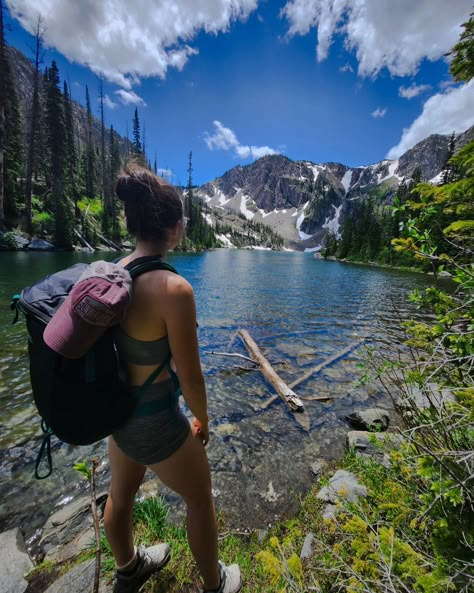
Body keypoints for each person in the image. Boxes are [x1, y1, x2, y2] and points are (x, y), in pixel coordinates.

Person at [104, 162, 242, 593]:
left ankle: (129, 569)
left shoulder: (113, 273)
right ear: (176, 229)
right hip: (158, 421)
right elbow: (191, 377)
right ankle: (214, 584)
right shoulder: (174, 290)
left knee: (120, 495)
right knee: (200, 498)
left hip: (117, 415)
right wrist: (202, 420)